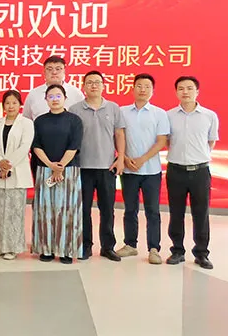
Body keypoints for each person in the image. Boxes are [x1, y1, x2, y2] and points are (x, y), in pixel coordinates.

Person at [68, 70, 126, 262]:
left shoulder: (113, 108)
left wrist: (120, 158)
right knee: (83, 209)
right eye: (89, 82)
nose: (93, 85)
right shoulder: (75, 109)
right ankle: (85, 246)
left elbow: (119, 134)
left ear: (103, 86)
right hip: (82, 167)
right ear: (83, 86)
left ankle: (108, 247)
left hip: (107, 167)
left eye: (97, 82)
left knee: (107, 209)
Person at [165, 76, 219, 270]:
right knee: (176, 212)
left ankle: (201, 253)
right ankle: (177, 251)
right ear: (176, 92)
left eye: (189, 88)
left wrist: (197, 156)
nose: (185, 92)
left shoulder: (209, 116)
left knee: (201, 213)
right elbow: (167, 141)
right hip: (175, 170)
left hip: (200, 171)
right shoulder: (168, 115)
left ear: (197, 91)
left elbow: (211, 141)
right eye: (181, 88)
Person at [116, 73, 169, 265]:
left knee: (152, 211)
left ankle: (154, 249)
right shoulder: (122, 112)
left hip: (151, 171)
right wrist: (125, 158)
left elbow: (161, 141)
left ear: (152, 91)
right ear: (132, 88)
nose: (143, 89)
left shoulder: (159, 113)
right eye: (139, 85)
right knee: (130, 209)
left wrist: (142, 159)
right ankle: (130, 245)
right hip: (128, 170)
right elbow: (117, 137)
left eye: (147, 86)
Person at [31, 84, 84, 264]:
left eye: (58, 96)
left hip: (68, 170)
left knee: (68, 210)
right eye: (51, 96)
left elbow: (74, 145)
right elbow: (36, 146)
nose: (55, 99)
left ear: (65, 98)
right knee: (45, 210)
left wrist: (59, 166)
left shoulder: (74, 120)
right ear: (46, 99)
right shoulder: (39, 121)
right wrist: (51, 165)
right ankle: (46, 249)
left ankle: (66, 251)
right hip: (45, 169)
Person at [0, 90, 34, 260]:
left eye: (14, 102)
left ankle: (12, 248)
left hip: (17, 173)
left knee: (14, 213)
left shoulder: (26, 123)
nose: (11, 106)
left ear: (20, 105)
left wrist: (8, 165)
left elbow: (25, 146)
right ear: (3, 106)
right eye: (7, 103)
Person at [23, 56, 85, 121]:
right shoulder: (34, 94)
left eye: (58, 69)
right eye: (50, 69)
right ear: (44, 72)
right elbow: (26, 120)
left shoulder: (76, 93)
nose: (54, 72)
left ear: (64, 71)